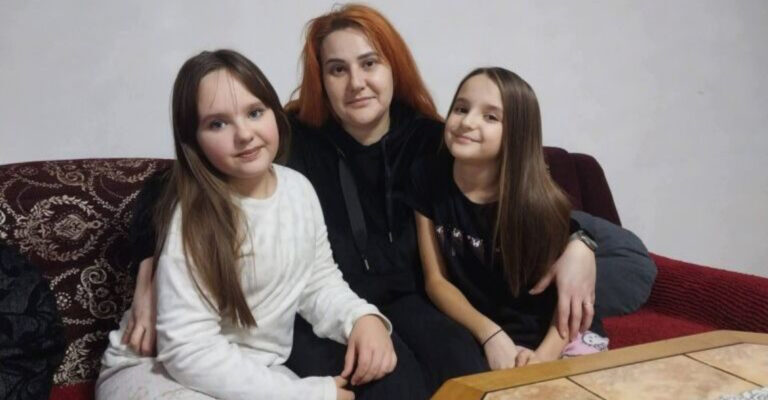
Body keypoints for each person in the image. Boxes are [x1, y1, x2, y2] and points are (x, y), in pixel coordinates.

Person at [122, 4, 600, 397]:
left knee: (468, 374)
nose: (356, 83)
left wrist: (581, 244)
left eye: (370, 63)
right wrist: (149, 266)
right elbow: (173, 184)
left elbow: (520, 187)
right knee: (393, 387)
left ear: (393, 67)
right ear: (322, 79)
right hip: (320, 310)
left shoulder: (432, 139)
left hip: (414, 301)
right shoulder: (293, 137)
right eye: (338, 69)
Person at [96, 49, 396, 400]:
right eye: (217, 124)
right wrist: (310, 394)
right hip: (156, 370)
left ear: (274, 112)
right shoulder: (194, 216)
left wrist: (361, 317)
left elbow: (317, 281)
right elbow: (188, 351)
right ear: (193, 139)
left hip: (249, 368)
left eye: (255, 113)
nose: (244, 134)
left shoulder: (298, 189)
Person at [409, 67, 609, 370]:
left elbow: (568, 301)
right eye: (461, 108)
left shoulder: (537, 205)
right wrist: (490, 335)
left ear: (517, 133)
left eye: (490, 117)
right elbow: (436, 281)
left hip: (557, 335)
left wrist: (542, 359)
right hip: (484, 333)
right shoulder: (427, 177)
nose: (467, 122)